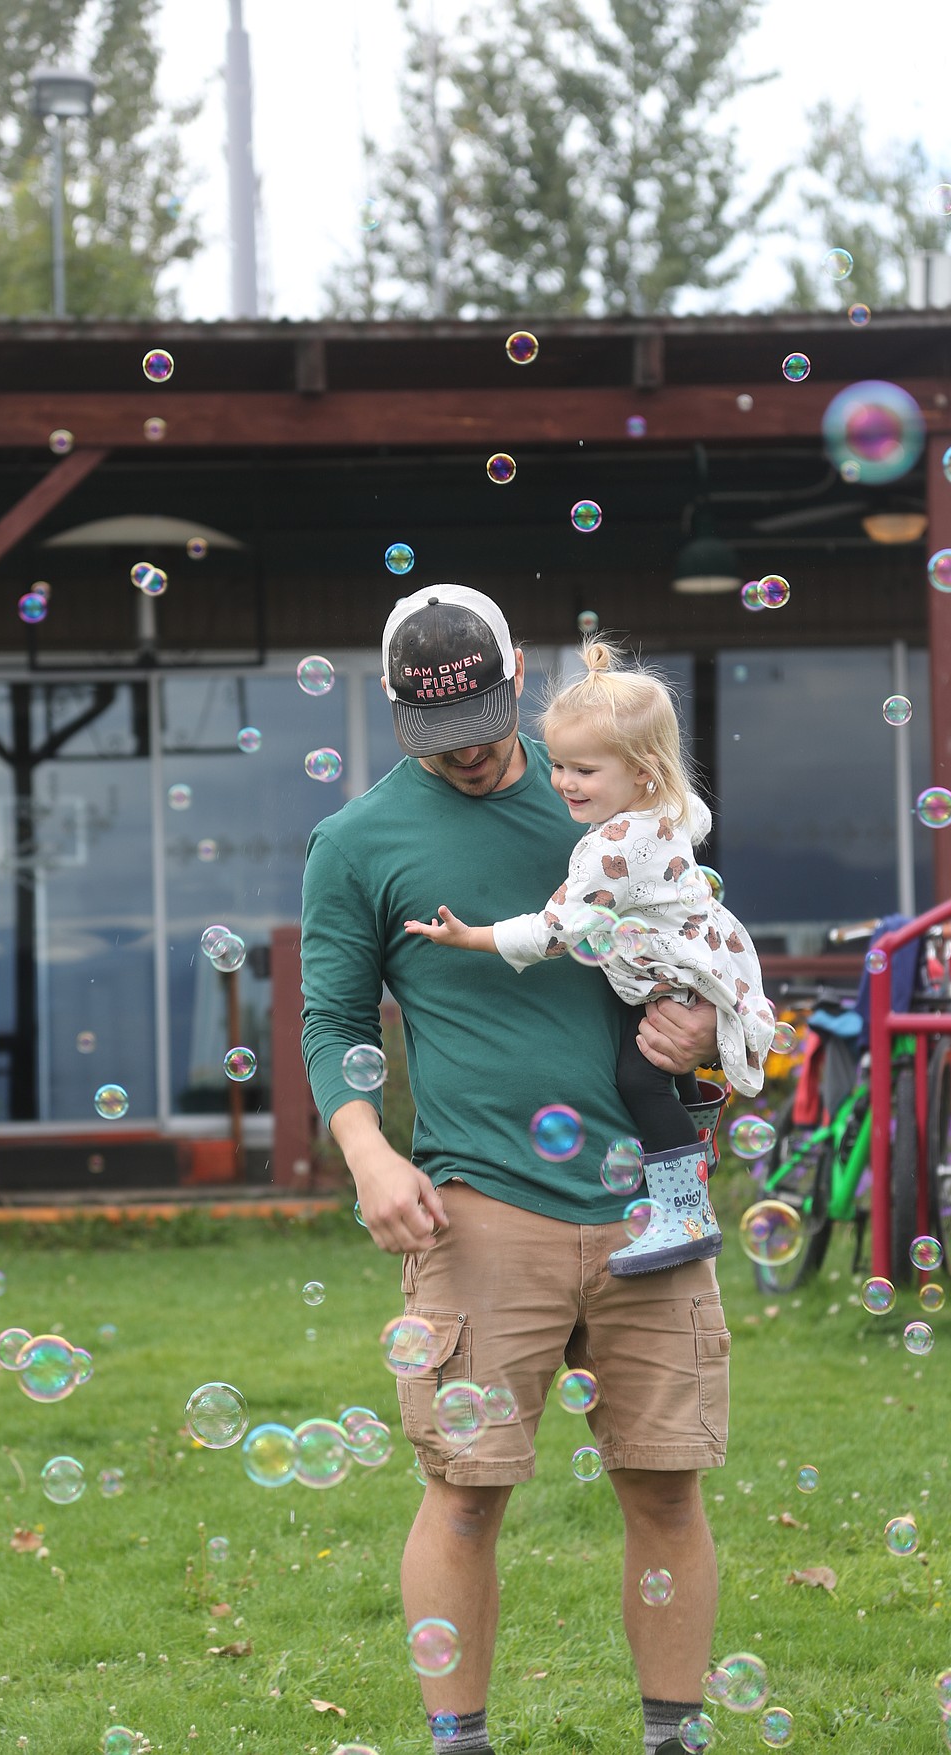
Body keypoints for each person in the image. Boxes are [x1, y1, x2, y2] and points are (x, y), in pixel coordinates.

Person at [301, 584, 731, 1755]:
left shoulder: (608, 789)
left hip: (652, 1204)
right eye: (441, 737)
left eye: (489, 721)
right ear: (396, 712)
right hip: (481, 1210)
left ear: (519, 677)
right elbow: (331, 1016)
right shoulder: (357, 844)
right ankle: (461, 1744)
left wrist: (704, 1033)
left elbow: (700, 945)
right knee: (469, 1488)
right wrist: (367, 1148)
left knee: (665, 1485)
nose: (477, 753)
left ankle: (675, 1739)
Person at [403, 637, 774, 1276]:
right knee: (668, 1077)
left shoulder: (610, 850)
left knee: (639, 1079)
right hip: (692, 964)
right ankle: (692, 1158)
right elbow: (698, 819)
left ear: (642, 771)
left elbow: (556, 931)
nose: (565, 783)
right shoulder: (667, 811)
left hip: (674, 978)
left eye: (584, 770)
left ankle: (684, 1216)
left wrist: (471, 938)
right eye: (562, 765)